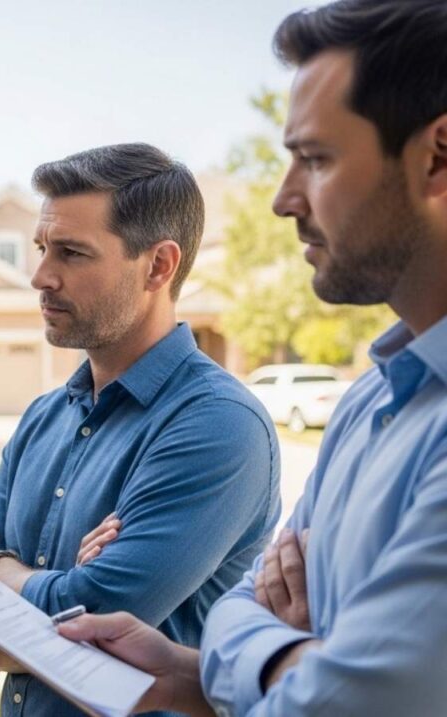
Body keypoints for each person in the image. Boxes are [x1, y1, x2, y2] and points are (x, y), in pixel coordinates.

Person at [58, 1, 447, 715]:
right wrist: (191, 672)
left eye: (317, 159)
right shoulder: (372, 402)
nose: (282, 199)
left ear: (437, 156)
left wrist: (277, 659)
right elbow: (249, 607)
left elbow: (341, 705)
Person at [0, 143, 281, 716]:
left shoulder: (218, 426)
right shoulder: (44, 417)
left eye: (72, 253)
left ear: (159, 265)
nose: (41, 277)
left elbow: (93, 618)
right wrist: (48, 590)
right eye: (43, 248)